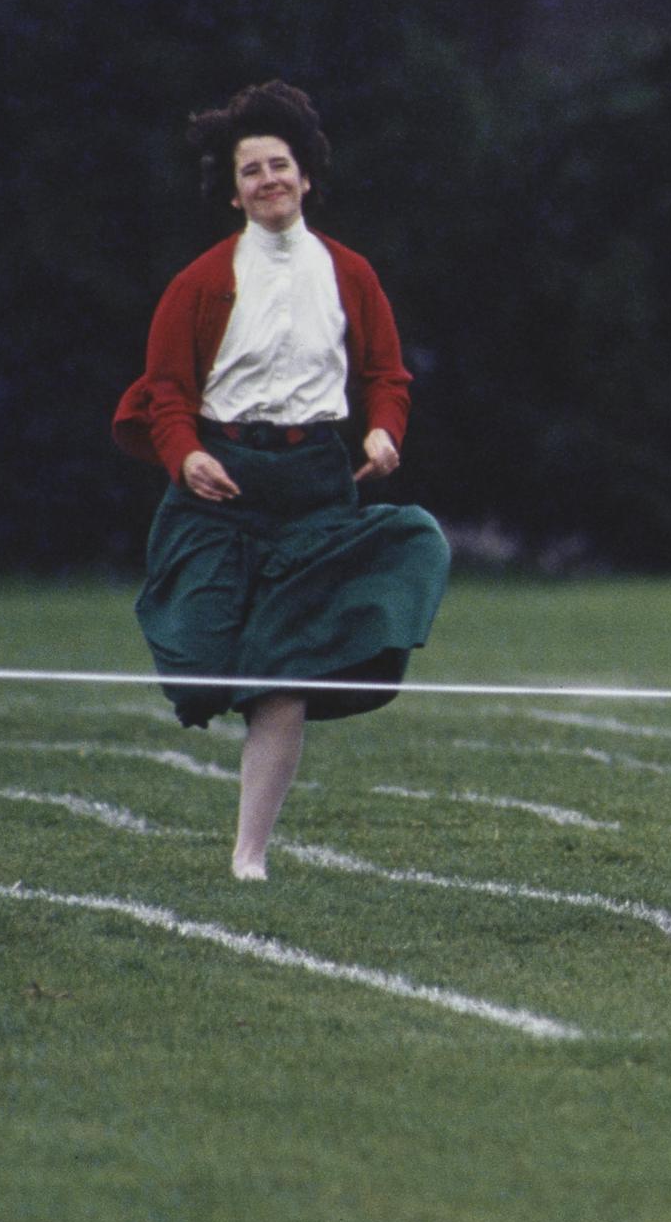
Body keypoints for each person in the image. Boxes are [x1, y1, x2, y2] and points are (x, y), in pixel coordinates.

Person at [112, 81, 449, 881]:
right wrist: (185, 454)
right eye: (252, 170)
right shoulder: (199, 283)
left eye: (280, 165)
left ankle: (248, 856)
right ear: (232, 192)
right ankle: (224, 668)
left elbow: (386, 375)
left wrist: (382, 431)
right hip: (220, 484)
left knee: (284, 671)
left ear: (306, 177)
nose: (268, 180)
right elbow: (165, 391)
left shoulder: (350, 273)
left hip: (314, 485)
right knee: (199, 666)